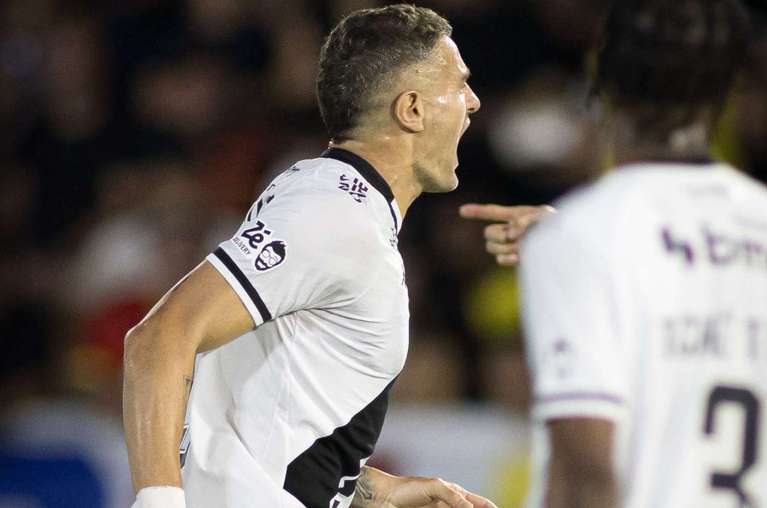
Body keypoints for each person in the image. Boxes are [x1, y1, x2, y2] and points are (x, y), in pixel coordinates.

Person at [123, 4, 495, 508]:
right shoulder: (332, 214)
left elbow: (272, 409)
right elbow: (158, 338)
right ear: (411, 109)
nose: (472, 102)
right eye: (460, 84)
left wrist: (373, 489)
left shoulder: (326, 195)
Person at [462, 0, 767, 507]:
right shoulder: (764, 224)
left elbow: (587, 471)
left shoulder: (583, 237)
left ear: (601, 88)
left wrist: (577, 240)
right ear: (729, 92)